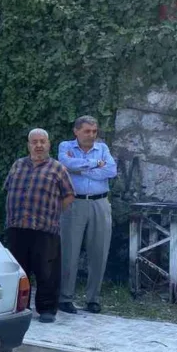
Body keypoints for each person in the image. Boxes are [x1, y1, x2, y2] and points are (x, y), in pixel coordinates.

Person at [4, 128, 75, 323]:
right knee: (20, 270)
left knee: (47, 271)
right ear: (28, 145)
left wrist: (54, 211)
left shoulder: (57, 168)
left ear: (48, 144)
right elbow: (8, 188)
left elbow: (69, 195)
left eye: (42, 141)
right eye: (34, 142)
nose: (38, 145)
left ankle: (47, 309)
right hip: (17, 226)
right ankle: (20, 306)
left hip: (45, 227)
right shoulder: (17, 165)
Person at [57, 115, 118, 314]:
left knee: (99, 251)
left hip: (100, 203)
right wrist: (94, 164)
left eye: (94, 131)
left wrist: (80, 170)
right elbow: (64, 164)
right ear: (76, 131)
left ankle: (93, 298)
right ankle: (65, 298)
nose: (91, 135)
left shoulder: (103, 148)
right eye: (87, 131)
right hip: (74, 203)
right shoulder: (65, 146)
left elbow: (111, 171)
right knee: (69, 250)